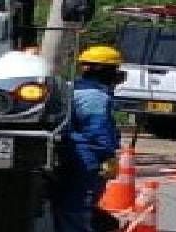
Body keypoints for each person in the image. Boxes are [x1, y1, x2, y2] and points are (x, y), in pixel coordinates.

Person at [53, 45, 125, 232]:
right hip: (86, 158)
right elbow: (98, 131)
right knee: (77, 206)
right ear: (103, 69)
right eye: (115, 69)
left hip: (69, 154)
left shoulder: (71, 88)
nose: (118, 74)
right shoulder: (95, 97)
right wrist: (107, 156)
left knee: (67, 204)